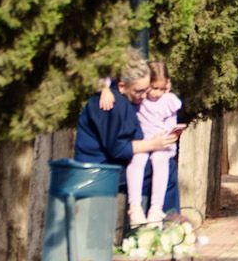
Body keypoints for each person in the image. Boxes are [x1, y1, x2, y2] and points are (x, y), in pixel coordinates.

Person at [75, 50, 179, 226]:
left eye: (147, 89)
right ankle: (160, 224)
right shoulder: (112, 105)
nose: (144, 96)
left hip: (109, 166)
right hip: (99, 171)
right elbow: (118, 149)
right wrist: (154, 144)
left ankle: (160, 220)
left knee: (161, 163)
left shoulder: (124, 99)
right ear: (122, 86)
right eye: (139, 91)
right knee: (163, 169)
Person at [105, 61, 183, 224]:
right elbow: (108, 77)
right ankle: (135, 206)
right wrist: (105, 89)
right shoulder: (139, 100)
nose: (156, 93)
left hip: (161, 143)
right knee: (138, 160)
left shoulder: (168, 100)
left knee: (162, 162)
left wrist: (171, 132)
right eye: (153, 88)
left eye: (161, 89)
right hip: (142, 142)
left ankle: (157, 208)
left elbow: (172, 116)